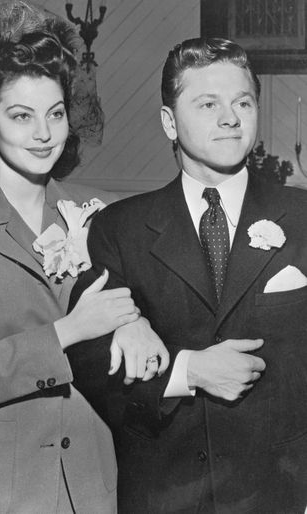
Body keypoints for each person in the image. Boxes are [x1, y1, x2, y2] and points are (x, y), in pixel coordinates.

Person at [0, 2, 169, 513]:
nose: (44, 134)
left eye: (54, 114)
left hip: (90, 485)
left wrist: (135, 319)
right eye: (20, 116)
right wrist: (67, 331)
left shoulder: (101, 212)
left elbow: (143, 314)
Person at [68, 37, 307, 513]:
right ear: (169, 122)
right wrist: (188, 371)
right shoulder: (122, 228)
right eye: (207, 103)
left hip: (280, 492)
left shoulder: (301, 216)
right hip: (164, 493)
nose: (230, 118)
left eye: (243, 102)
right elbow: (90, 362)